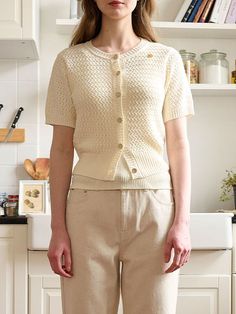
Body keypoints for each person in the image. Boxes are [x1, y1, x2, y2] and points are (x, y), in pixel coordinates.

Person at [45, 0, 195, 313]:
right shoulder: (69, 62)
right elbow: (60, 149)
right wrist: (58, 228)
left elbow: (178, 145)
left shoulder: (166, 59)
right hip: (87, 212)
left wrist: (182, 222)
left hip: (154, 208)